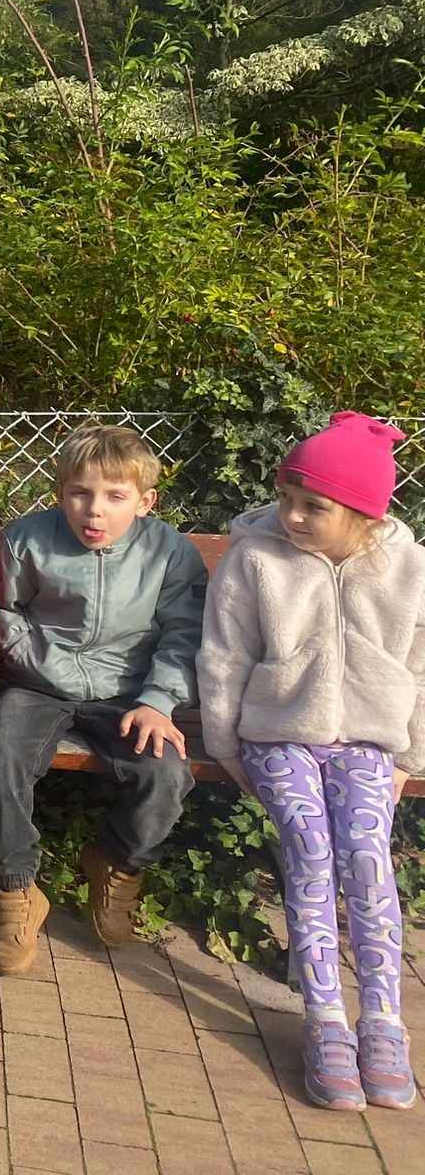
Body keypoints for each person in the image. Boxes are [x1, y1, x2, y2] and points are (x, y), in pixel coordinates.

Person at [198, 412, 425, 1113]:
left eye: (313, 506)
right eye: (287, 498)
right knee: (308, 846)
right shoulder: (255, 558)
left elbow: (421, 663)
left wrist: (409, 755)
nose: (292, 516)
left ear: (362, 513)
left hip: (368, 741)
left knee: (366, 855)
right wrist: (225, 744)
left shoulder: (406, 566)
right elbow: (224, 655)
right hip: (278, 735)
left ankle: (382, 1022)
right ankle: (325, 1021)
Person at [0, 424, 208, 976]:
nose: (94, 510)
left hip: (130, 692)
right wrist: (45, 666)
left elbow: (184, 633)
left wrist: (158, 700)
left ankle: (117, 863)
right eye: (80, 493)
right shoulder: (27, 540)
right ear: (60, 492)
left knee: (165, 772)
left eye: (115, 496)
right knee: (2, 750)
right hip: (38, 682)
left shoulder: (169, 553)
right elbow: (4, 614)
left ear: (145, 501)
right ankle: (16, 889)